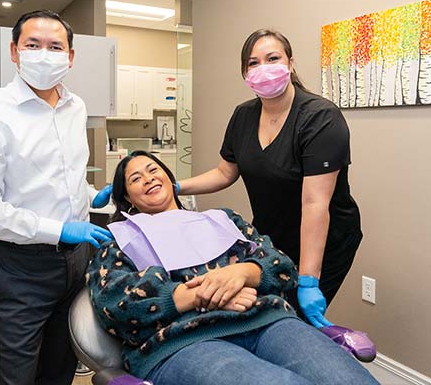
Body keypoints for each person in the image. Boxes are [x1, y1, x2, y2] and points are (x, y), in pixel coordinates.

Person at [87, 151, 378, 385]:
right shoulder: (120, 240)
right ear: (127, 197)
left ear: (169, 178)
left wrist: (243, 273)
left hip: (267, 321)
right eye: (136, 178)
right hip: (185, 341)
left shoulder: (223, 220)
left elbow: (282, 268)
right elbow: (116, 305)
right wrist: (204, 295)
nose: (148, 179)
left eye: (153, 170)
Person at [0, 10, 113, 385]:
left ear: (70, 56)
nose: (45, 53)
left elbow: (63, 180)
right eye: (33, 45)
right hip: (23, 268)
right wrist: (58, 229)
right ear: (14, 51)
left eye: (55, 46)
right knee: (17, 375)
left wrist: (95, 198)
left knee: (61, 368)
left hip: (76, 263)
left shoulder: (76, 108)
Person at [177, 29, 362, 328]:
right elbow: (226, 172)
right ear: (244, 72)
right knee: (265, 313)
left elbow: (315, 204)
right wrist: (175, 186)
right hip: (270, 236)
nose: (263, 68)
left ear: (290, 63)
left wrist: (308, 280)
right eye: (253, 63)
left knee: (294, 322)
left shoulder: (320, 117)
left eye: (272, 58)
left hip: (325, 240)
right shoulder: (243, 116)